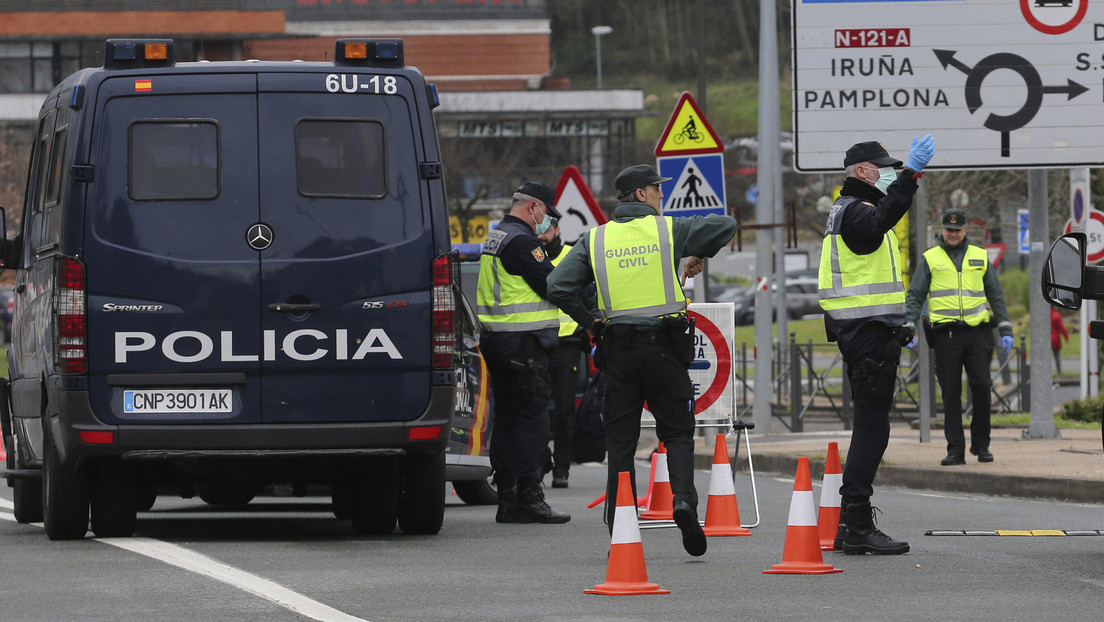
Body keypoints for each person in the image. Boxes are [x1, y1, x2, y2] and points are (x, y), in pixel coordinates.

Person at [547, 164, 736, 557]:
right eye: (656, 189)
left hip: (618, 351)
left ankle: (621, 522)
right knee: (678, 432)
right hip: (665, 350)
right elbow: (726, 225)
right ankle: (683, 502)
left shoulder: (595, 239)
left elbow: (557, 286)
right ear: (639, 195)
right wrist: (697, 251)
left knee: (620, 440)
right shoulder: (669, 231)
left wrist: (592, 323)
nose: (661, 196)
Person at [818, 135, 934, 555]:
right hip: (863, 335)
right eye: (883, 168)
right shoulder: (855, 212)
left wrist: (898, 320)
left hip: (870, 331)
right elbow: (881, 221)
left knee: (873, 424)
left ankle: (853, 523)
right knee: (872, 427)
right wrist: (910, 176)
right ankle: (855, 522)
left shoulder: (849, 211)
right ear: (863, 172)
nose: (888, 173)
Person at [476, 182, 570, 524]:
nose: (546, 220)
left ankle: (508, 497)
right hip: (523, 343)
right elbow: (554, 285)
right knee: (533, 417)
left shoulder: (496, 236)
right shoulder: (521, 241)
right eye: (545, 213)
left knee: (508, 418)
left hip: (500, 342)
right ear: (534, 207)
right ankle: (529, 496)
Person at [905, 208, 1013, 466]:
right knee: (951, 393)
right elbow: (916, 295)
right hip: (946, 336)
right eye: (948, 229)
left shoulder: (979, 256)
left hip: (977, 334)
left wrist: (1006, 328)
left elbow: (995, 295)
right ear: (942, 230)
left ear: (965, 230)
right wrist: (910, 325)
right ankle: (955, 450)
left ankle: (981, 445)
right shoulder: (931, 258)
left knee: (983, 387)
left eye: (957, 230)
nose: (952, 234)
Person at [537, 218, 587, 488]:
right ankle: (541, 460)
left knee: (566, 411)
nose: (542, 236)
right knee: (537, 409)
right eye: (538, 231)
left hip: (567, 343)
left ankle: (562, 469)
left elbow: (588, 292)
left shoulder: (572, 254)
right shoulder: (531, 256)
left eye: (546, 230)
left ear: (557, 230)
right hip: (538, 340)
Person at [1051, 308, 1068, 373]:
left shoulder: (1045, 315)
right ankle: (1058, 370)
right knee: (1057, 355)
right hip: (1055, 339)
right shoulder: (1056, 315)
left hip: (1047, 339)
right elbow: (1062, 328)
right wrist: (1066, 337)